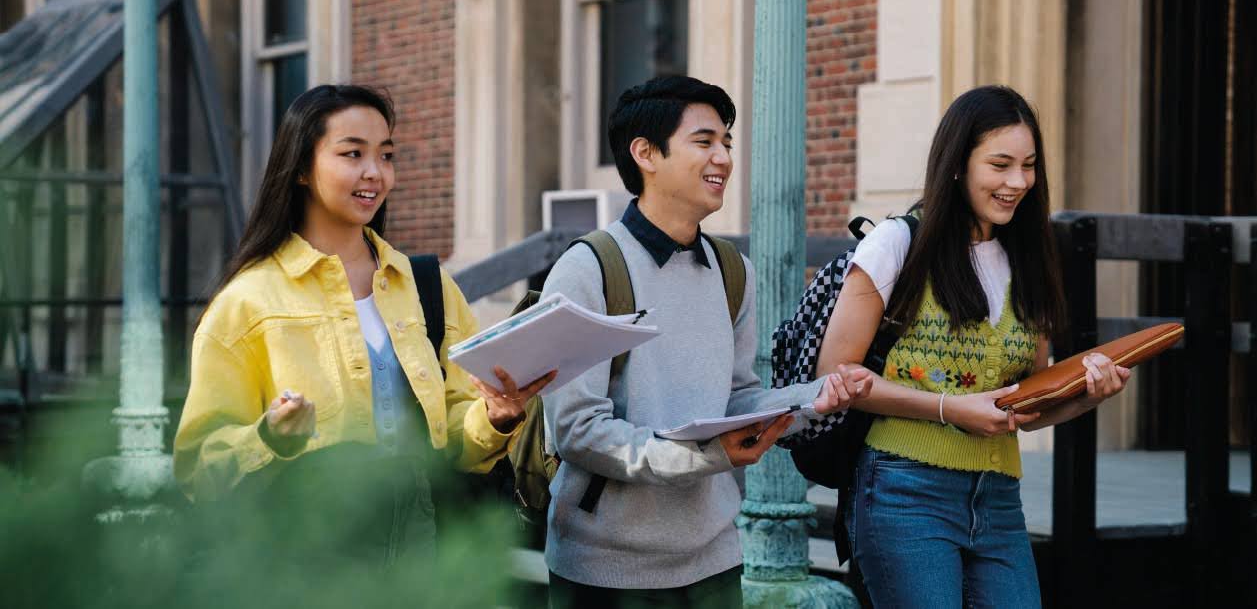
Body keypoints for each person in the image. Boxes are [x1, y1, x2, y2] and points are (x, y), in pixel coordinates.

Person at [172, 85, 554, 567]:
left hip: (424, 548)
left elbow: (454, 440)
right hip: (304, 558)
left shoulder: (427, 286)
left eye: (386, 155)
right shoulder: (248, 302)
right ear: (303, 169)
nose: (375, 173)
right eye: (353, 154)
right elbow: (199, 467)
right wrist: (268, 438)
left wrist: (498, 415)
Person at [539, 75, 873, 609]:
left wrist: (812, 399)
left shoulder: (733, 271)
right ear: (645, 153)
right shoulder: (587, 268)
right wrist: (697, 457)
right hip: (606, 569)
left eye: (727, 142)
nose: (723, 157)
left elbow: (735, 399)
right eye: (704, 141)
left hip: (715, 558)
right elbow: (577, 430)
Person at [812, 85, 1131, 608]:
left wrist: (1089, 393)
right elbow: (836, 374)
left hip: (999, 498)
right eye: (1000, 164)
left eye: (1028, 166)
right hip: (903, 492)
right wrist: (949, 408)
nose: (1017, 182)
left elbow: (1024, 405)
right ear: (958, 165)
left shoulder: (1029, 255)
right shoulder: (897, 243)